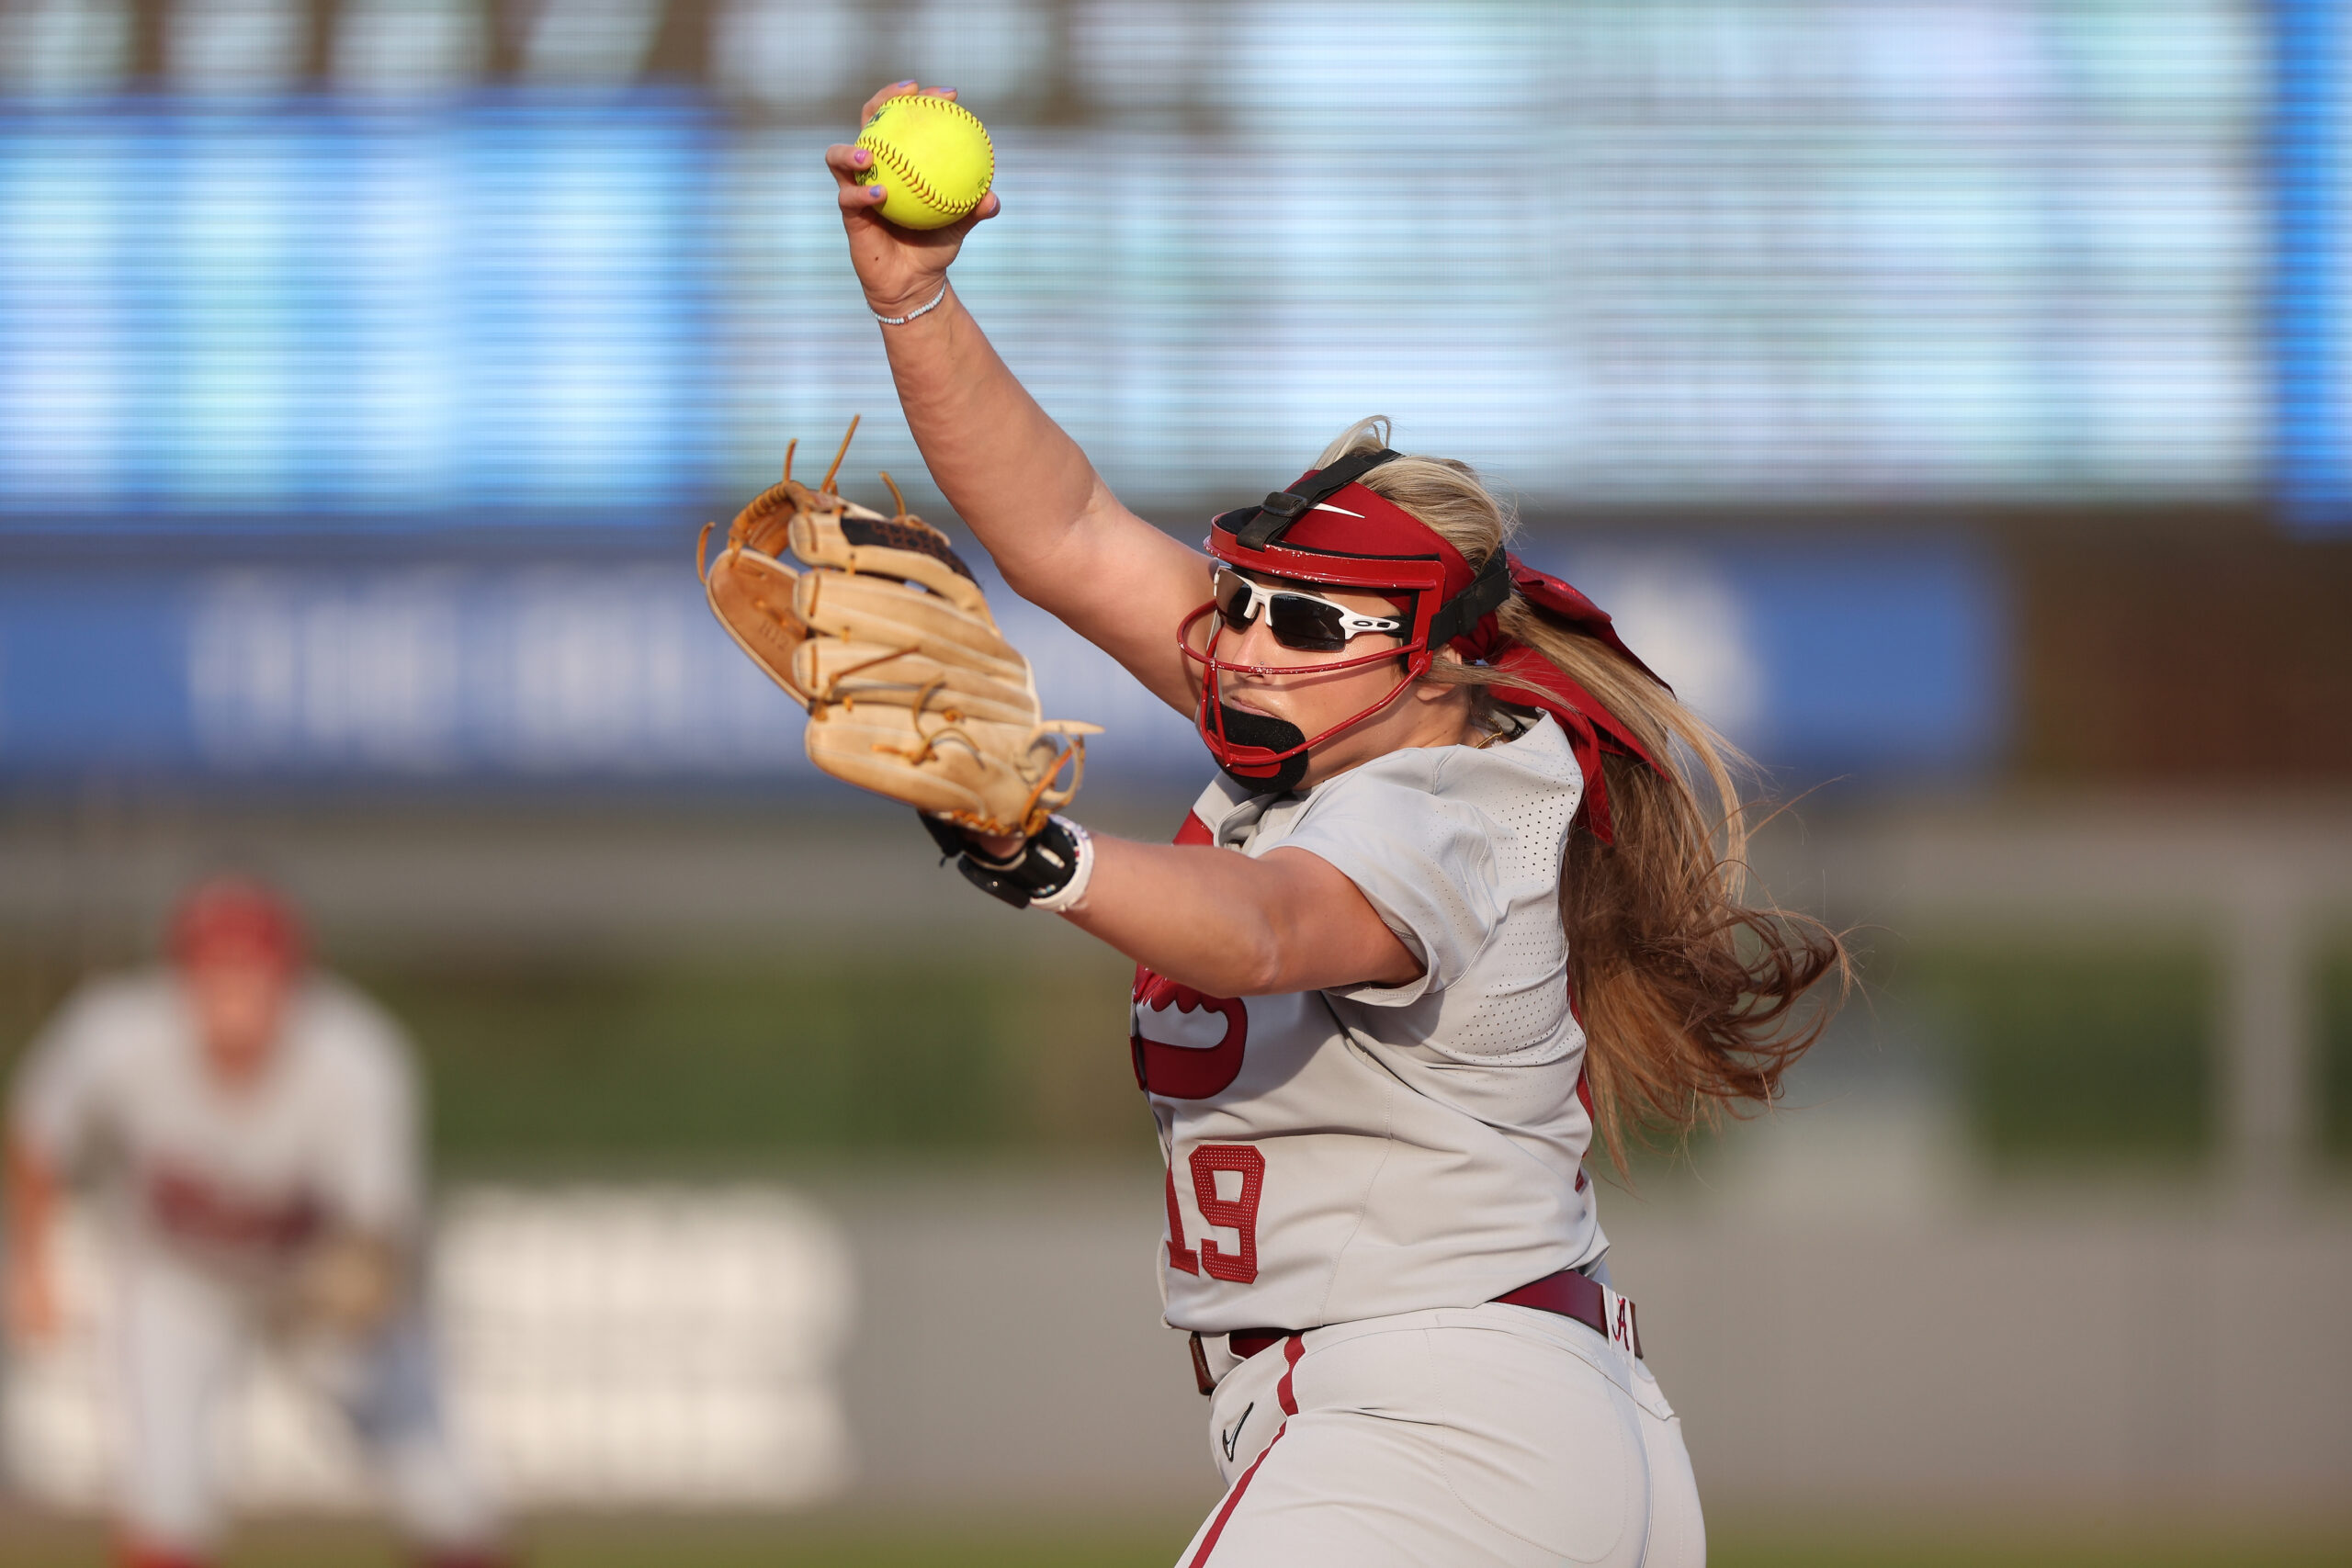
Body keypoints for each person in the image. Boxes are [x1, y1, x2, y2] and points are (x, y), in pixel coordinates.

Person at [825, 85, 1848, 1566]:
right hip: (1533, 1433)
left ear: (1436, 658)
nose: (1244, 638)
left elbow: (1266, 929)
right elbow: (1060, 529)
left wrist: (1049, 855)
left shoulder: (1448, 792)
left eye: (1300, 617)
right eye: (1240, 597)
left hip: (1436, 1434)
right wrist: (915, 299)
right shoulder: (1341, 718)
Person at [4, 876, 510, 1568]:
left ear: (293, 982)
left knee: (441, 1490)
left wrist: (360, 1296)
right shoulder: (117, 1034)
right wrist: (35, 1265)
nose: (235, 995)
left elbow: (375, 1231)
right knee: (164, 1494)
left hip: (316, 1282)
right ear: (180, 978)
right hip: (178, 1277)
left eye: (255, 973)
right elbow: (37, 1135)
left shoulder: (356, 1056)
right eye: (216, 972)